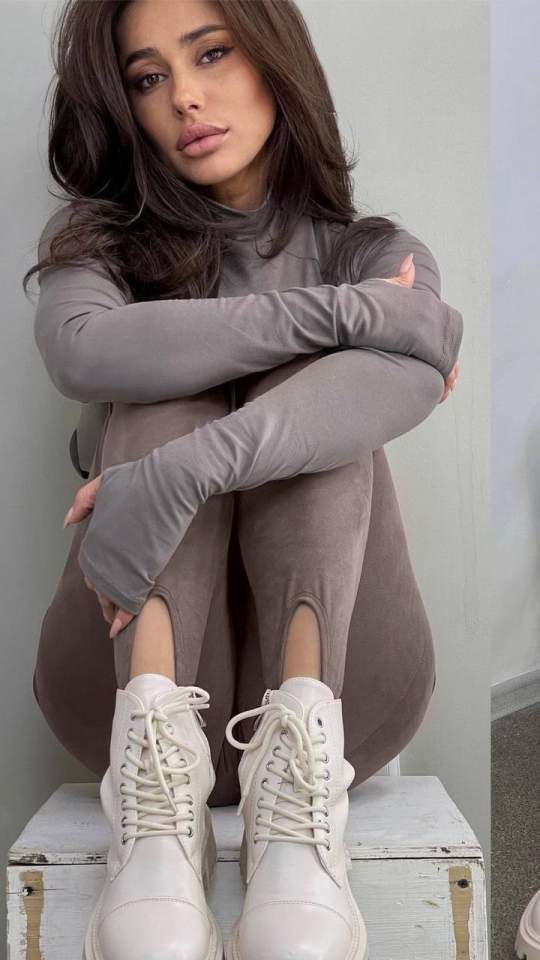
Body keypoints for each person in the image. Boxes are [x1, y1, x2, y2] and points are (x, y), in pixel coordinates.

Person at [23, 1, 463, 958]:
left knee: (318, 404)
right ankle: (151, 817)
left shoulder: (374, 249)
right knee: (166, 383)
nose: (184, 96)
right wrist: (343, 316)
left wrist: (182, 471)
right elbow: (84, 351)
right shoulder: (99, 249)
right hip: (113, 689)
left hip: (351, 694)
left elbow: (414, 374)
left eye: (212, 53)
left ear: (273, 58)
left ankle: (297, 801)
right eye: (147, 78)